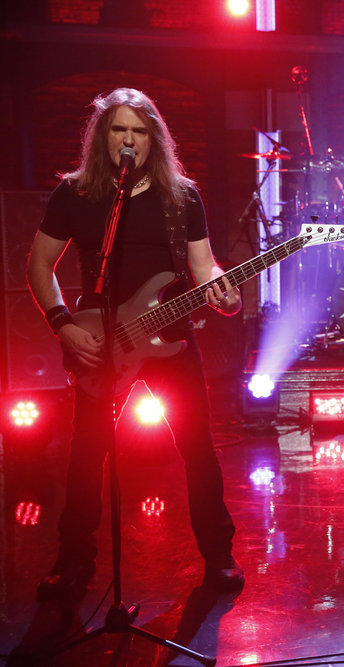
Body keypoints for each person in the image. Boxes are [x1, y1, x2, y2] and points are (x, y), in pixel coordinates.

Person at [26, 88, 245, 597]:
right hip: (102, 341)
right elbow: (39, 264)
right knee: (87, 456)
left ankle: (219, 557)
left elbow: (202, 266)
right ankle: (73, 561)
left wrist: (223, 294)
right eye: (119, 129)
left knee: (197, 450)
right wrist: (63, 323)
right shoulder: (77, 194)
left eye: (139, 131)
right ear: (103, 136)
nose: (129, 140)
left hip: (171, 336)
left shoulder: (182, 196)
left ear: (155, 138)